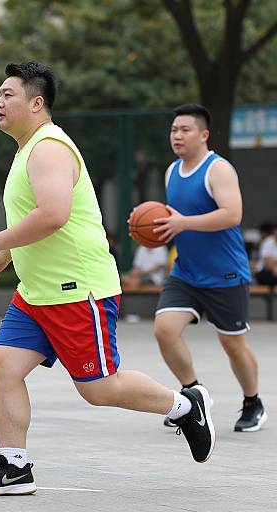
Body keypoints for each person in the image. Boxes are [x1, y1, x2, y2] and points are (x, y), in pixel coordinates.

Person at [0, 62, 214, 497]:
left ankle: (185, 406)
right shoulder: (27, 149)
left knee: (98, 389)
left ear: (37, 103)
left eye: (8, 95)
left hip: (77, 289)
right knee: (2, 365)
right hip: (37, 292)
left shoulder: (49, 148)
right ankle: (14, 466)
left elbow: (54, 215)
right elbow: (39, 219)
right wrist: (5, 253)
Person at [152, 103, 267, 432]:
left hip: (225, 273)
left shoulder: (219, 169)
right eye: (174, 130)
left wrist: (182, 223)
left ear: (203, 135)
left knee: (232, 343)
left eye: (185, 130)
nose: (177, 135)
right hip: (186, 272)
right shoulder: (171, 171)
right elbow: (174, 219)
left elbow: (232, 214)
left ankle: (253, 401)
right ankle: (195, 394)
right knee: (164, 330)